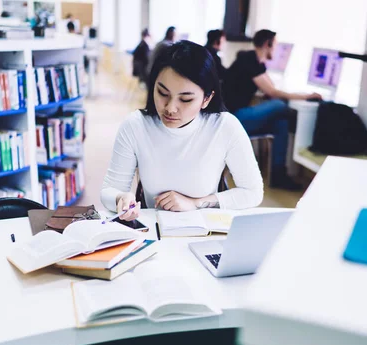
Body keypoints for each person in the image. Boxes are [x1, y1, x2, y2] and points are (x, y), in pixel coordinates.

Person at [100, 41, 264, 221]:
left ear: (206, 99)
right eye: (162, 93)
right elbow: (109, 191)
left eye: (185, 99)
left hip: (203, 231)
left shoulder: (225, 127)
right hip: (155, 232)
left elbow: (253, 193)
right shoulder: (135, 125)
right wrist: (120, 198)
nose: (170, 108)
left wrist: (196, 203)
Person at [223, 29, 322, 190]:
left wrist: (299, 95)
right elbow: (272, 92)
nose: (276, 50)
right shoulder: (249, 60)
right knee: (280, 105)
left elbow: (270, 87)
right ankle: (300, 126)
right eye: (275, 46)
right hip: (234, 117)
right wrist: (306, 96)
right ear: (267, 44)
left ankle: (278, 176)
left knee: (280, 124)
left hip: (240, 116)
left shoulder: (256, 61)